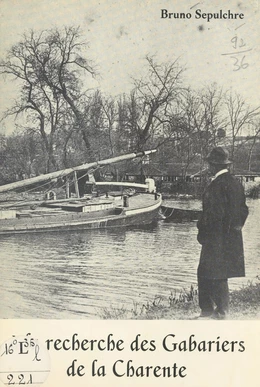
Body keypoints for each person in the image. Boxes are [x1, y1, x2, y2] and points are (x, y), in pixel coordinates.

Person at [196, 147, 249, 319]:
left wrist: (202, 229)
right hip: (230, 236)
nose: (209, 167)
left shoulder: (216, 186)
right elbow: (244, 210)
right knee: (221, 273)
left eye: (210, 164)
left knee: (206, 272)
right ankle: (220, 310)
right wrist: (236, 228)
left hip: (214, 236)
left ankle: (210, 311)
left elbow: (213, 214)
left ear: (214, 165)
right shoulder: (235, 183)